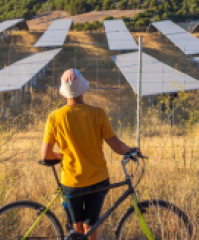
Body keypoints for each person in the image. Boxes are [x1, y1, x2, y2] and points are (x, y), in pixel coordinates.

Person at [42, 69, 137, 240]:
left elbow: (46, 155)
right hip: (98, 179)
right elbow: (116, 146)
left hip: (71, 181)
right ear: (83, 89)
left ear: (64, 91)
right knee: (92, 225)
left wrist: (62, 156)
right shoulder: (98, 114)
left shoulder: (54, 117)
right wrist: (132, 150)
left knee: (77, 229)